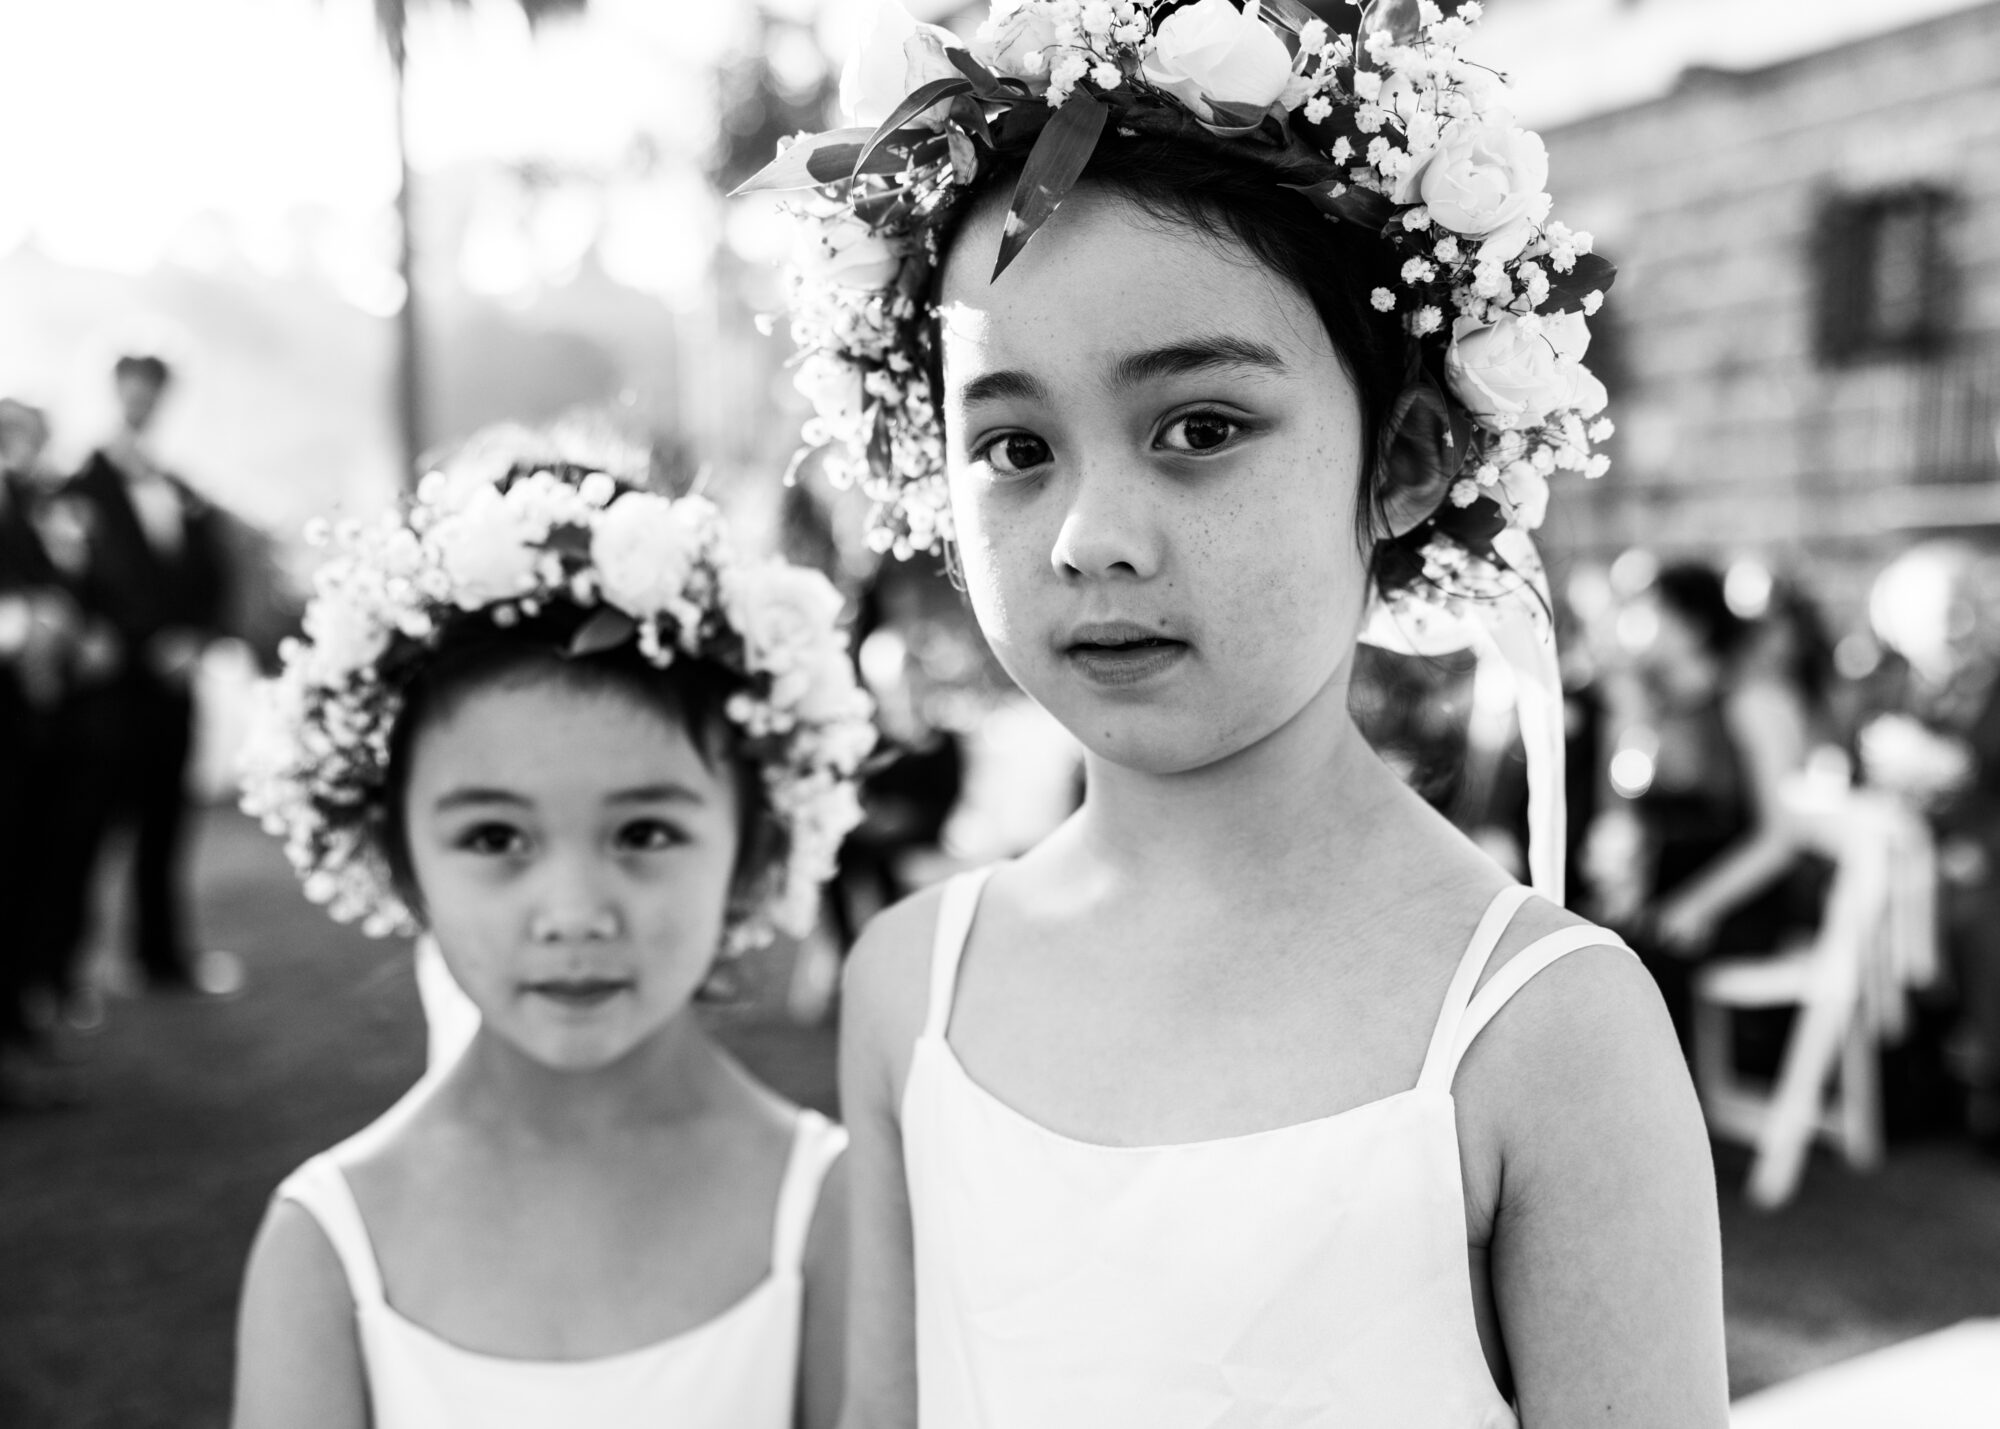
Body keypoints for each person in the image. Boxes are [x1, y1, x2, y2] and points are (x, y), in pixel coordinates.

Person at [742, 3, 1726, 1425]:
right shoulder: (914, 990)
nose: (1093, 535)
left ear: (1407, 456)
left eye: (1199, 426)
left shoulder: (1547, 1033)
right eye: (1014, 447)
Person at [229, 434, 876, 1428]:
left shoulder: (832, 1211)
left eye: (645, 831)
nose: (574, 912)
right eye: (495, 836)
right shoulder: (329, 1243)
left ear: (750, 850)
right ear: (400, 859)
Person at [64, 353, 235, 993]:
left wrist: (194, 638)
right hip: (109, 695)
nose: (143, 406)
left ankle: (159, 956)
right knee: (88, 828)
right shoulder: (79, 487)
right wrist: (142, 643)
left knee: (167, 825)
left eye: (154, 395)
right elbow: (83, 588)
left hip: (174, 687)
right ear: (115, 394)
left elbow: (210, 578)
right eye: (133, 393)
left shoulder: (181, 489)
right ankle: (66, 968)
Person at [1624, 564, 1830, 1042]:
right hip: (1669, 899)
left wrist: (1698, 906)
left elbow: (1779, 839)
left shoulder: (1748, 706)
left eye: (1649, 613)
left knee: (1633, 969)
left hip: (1740, 901)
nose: (1631, 627)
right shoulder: (1661, 711)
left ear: (1692, 626)